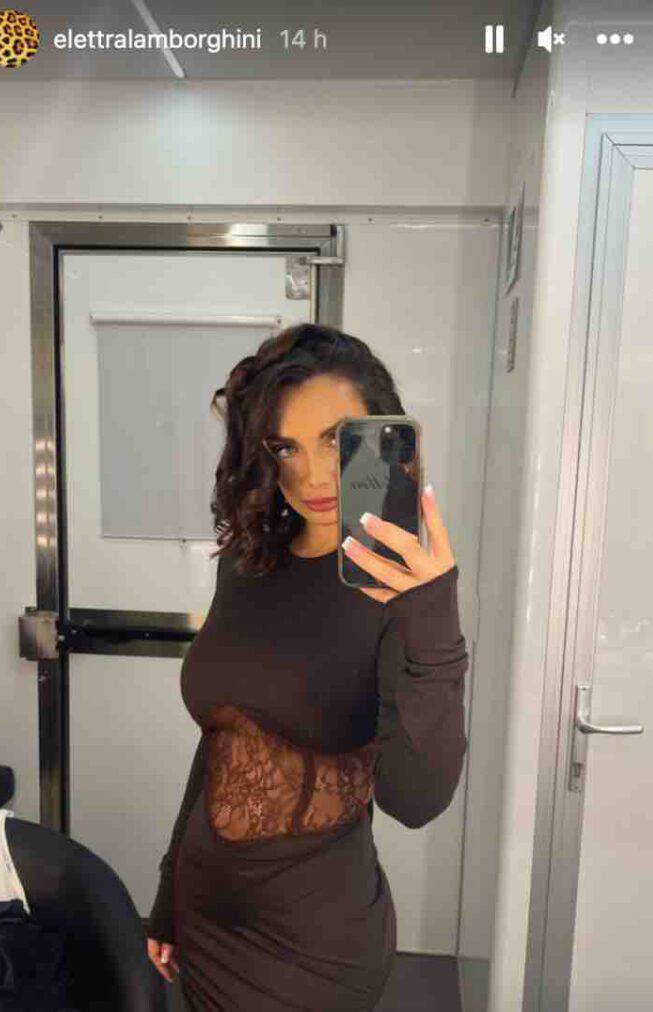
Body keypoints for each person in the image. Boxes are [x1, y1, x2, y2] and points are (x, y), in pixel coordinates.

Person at [145, 322, 469, 1010]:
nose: (313, 475)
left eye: (335, 440)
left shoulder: (400, 591)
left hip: (314, 947)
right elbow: (221, 742)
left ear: (379, 434)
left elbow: (416, 801)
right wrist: (169, 891)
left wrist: (433, 615)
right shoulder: (247, 562)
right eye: (284, 446)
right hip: (204, 917)